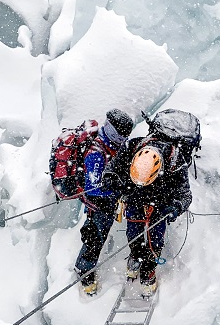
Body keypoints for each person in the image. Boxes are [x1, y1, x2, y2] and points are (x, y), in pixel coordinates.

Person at [109, 109, 198, 296]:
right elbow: (113, 169)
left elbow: (185, 194)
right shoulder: (132, 147)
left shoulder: (175, 161)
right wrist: (112, 179)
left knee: (154, 239)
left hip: (159, 206)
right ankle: (135, 256)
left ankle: (148, 270)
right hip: (133, 200)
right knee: (133, 233)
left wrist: (175, 208)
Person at [74, 108, 135, 295]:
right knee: (95, 236)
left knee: (97, 234)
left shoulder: (110, 146)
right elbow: (94, 187)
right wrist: (117, 189)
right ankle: (85, 272)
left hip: (108, 202)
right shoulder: (96, 153)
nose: (123, 138)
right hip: (98, 204)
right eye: (121, 134)